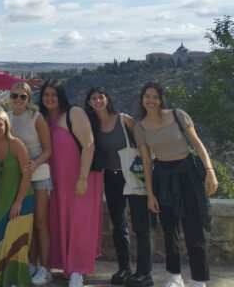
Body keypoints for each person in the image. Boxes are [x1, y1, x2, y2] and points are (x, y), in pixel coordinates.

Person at [134, 83, 217, 287]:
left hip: (187, 173)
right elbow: (146, 161)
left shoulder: (178, 115)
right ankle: (175, 276)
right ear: (142, 99)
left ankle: (199, 279)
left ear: (161, 99)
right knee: (169, 229)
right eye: (147, 96)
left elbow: (197, 144)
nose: (151, 100)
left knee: (193, 229)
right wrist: (150, 194)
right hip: (162, 176)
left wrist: (210, 171)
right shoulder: (140, 126)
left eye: (155, 96)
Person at [85, 86, 152, 287]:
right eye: (93, 98)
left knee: (140, 225)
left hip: (132, 175)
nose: (98, 101)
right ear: (88, 102)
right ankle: (125, 268)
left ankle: (144, 272)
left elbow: (143, 145)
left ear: (107, 99)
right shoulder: (92, 125)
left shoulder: (124, 120)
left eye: (101, 96)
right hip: (111, 177)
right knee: (119, 225)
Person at [39, 79, 103, 287]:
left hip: (79, 178)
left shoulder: (73, 113)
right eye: (46, 94)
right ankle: (61, 265)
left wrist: (82, 177)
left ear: (61, 96)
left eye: (54, 94)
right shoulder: (44, 118)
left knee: (79, 224)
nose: (49, 98)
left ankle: (77, 270)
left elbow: (89, 144)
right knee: (57, 222)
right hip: (56, 181)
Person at [7, 82, 53, 285]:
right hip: (17, 177)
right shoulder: (6, 118)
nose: (18, 100)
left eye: (22, 97)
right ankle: (31, 263)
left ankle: (45, 268)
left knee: (40, 223)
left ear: (28, 99)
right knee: (26, 222)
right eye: (15, 96)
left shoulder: (36, 117)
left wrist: (35, 164)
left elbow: (48, 149)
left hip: (38, 174)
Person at [0, 107, 35, 287]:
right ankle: (2, 278)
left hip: (23, 199)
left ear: (6, 125)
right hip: (3, 200)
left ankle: (16, 280)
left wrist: (18, 202)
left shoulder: (17, 144)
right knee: (0, 240)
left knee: (17, 243)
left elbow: (27, 175)